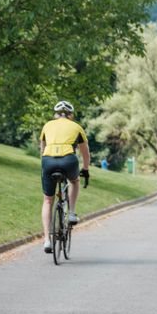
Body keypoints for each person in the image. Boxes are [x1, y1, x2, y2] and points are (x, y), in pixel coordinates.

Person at [39, 101, 90, 253]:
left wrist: (46, 165)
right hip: (68, 160)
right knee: (74, 181)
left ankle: (47, 240)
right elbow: (85, 152)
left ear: (56, 114)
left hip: (48, 161)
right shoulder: (77, 127)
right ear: (70, 115)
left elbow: (42, 150)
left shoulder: (47, 125)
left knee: (47, 200)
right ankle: (72, 213)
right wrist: (85, 169)